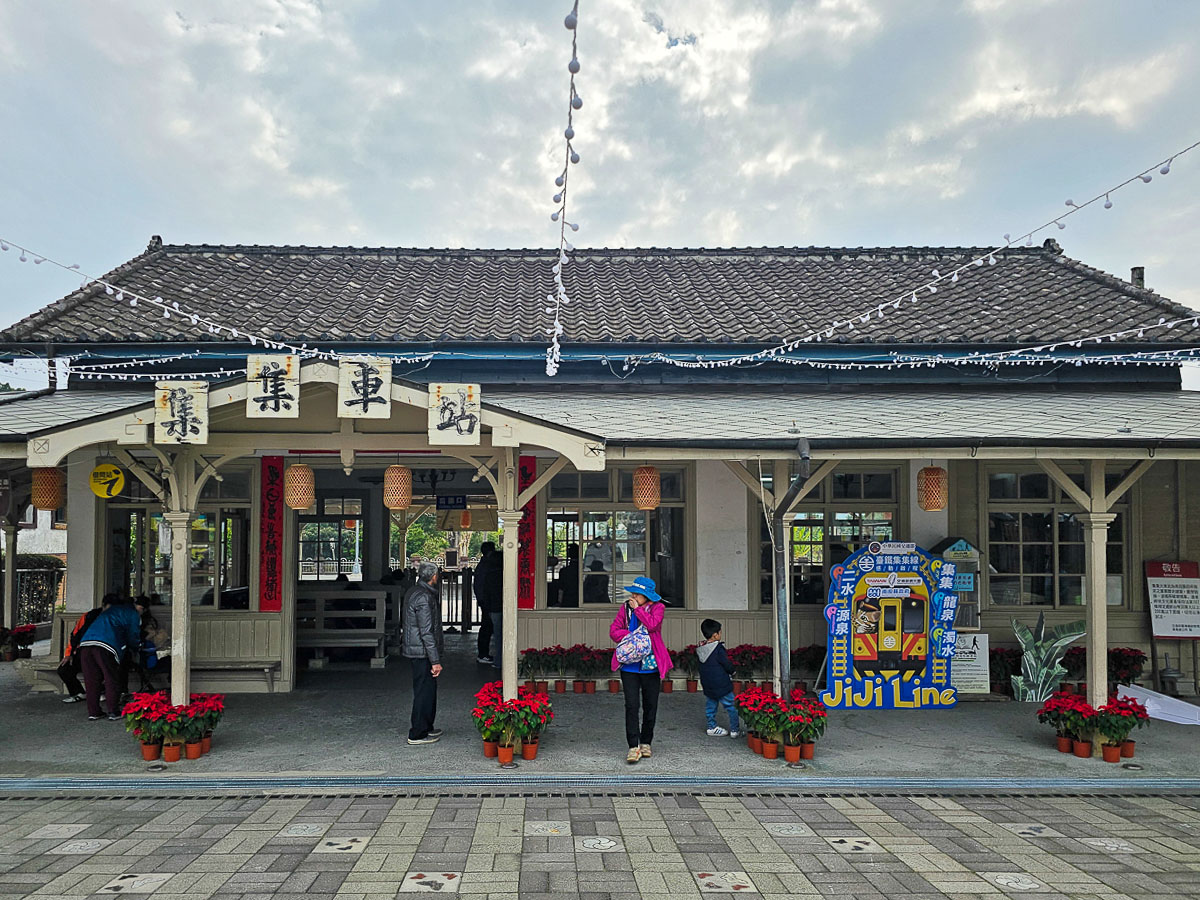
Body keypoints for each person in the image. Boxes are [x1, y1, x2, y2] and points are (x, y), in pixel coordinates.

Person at [609, 576, 672, 764]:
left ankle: (646, 742)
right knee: (631, 705)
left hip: (650, 667)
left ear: (647, 595)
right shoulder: (625, 608)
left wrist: (638, 610)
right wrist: (631, 637)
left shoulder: (658, 608)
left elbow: (653, 625)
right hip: (629, 667)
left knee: (650, 706)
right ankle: (633, 746)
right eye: (633, 593)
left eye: (638, 593)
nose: (634, 596)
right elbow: (614, 630)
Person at [77, 594, 142, 721]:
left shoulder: (110, 611)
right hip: (106, 645)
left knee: (91, 680)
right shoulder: (132, 613)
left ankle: (94, 712)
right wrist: (136, 647)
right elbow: (133, 634)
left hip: (86, 643)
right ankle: (113, 711)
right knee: (111, 677)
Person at [402, 561, 444, 745]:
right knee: (423, 691)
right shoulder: (424, 597)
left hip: (419, 649)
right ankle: (417, 732)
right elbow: (426, 631)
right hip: (421, 652)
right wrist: (435, 660)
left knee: (427, 690)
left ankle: (426, 726)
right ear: (434, 577)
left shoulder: (415, 591)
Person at [57, 601, 108, 703]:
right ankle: (78, 693)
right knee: (64, 669)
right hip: (82, 651)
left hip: (103, 652)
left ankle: (102, 691)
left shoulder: (114, 619)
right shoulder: (88, 616)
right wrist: (69, 654)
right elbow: (75, 636)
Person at [697, 618, 740, 738]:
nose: (721, 634)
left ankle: (711, 727)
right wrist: (733, 670)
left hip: (708, 684)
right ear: (715, 635)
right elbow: (726, 664)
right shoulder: (718, 649)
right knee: (731, 706)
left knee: (711, 706)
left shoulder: (701, 649)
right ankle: (735, 730)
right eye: (720, 632)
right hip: (721, 684)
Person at [473, 542, 498, 663]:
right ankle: (483, 654)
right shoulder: (489, 566)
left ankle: (483, 653)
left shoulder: (482, 565)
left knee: (487, 626)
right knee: (487, 627)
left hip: (484, 600)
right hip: (488, 601)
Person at [555, 544, 580, 608]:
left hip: (567, 600)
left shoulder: (564, 571)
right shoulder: (583, 570)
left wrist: (559, 602)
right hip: (581, 600)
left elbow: (561, 589)